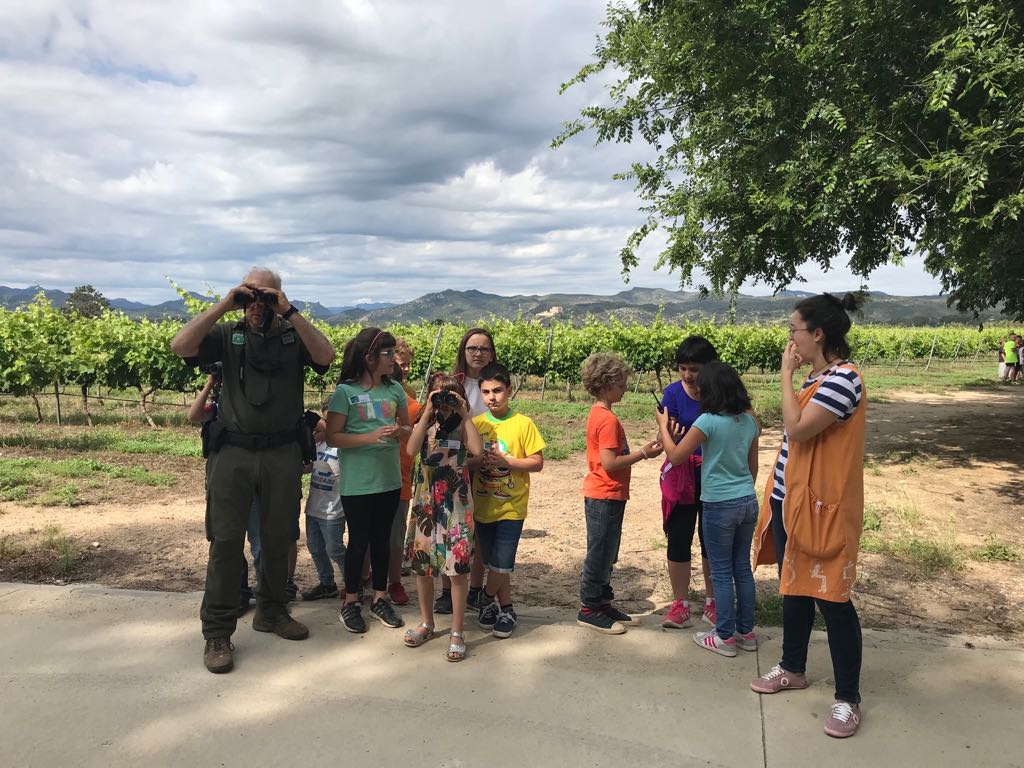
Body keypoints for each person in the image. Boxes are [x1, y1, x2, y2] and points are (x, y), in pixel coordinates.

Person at [171, 267, 335, 674]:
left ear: (280, 297)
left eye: (266, 297)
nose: (258, 305)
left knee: (279, 538)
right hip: (233, 453)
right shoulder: (227, 334)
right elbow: (180, 345)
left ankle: (272, 611)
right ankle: (217, 631)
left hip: (282, 452)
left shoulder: (293, 336)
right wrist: (226, 303)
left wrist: (289, 310)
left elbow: (325, 356)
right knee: (226, 541)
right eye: (251, 296)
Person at [750, 292, 868, 739]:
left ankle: (848, 699)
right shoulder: (817, 378)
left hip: (821, 509)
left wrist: (784, 374)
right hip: (791, 501)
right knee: (794, 589)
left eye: (794, 329)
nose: (790, 338)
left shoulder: (843, 379)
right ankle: (792, 668)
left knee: (833, 600)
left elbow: (797, 429)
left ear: (818, 334)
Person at [656, 362, 760, 657]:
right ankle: (746, 632)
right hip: (746, 500)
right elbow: (752, 467)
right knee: (742, 568)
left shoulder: (707, 421)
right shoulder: (749, 422)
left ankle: (724, 636)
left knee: (722, 571)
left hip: (719, 503)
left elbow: (676, 456)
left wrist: (663, 426)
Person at [325, 327, 412, 634]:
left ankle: (379, 598)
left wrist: (400, 432)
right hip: (358, 483)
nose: (394, 359)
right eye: (388, 354)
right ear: (369, 357)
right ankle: (350, 601)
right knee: (359, 541)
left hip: (389, 480)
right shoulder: (344, 392)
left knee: (382, 540)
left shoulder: (395, 390)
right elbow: (332, 436)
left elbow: (409, 429)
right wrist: (368, 438)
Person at [577, 353, 662, 634]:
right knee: (600, 552)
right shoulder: (607, 420)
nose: (625, 388)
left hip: (609, 494)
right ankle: (589, 608)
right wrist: (643, 453)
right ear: (606, 384)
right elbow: (610, 463)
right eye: (621, 384)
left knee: (608, 551)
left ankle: (603, 603)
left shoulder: (600, 414)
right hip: (604, 494)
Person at [403, 374, 483, 661]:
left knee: (457, 570)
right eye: (439, 396)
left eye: (450, 396)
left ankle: (457, 631)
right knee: (423, 567)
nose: (444, 402)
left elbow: (477, 450)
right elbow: (411, 450)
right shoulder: (425, 424)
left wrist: (465, 413)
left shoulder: (462, 425)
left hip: (456, 503)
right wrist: (427, 412)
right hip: (426, 503)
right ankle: (427, 623)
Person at [469, 362, 545, 639]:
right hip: (483, 505)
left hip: (512, 506)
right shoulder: (476, 425)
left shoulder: (523, 424)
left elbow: (537, 462)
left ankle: (485, 598)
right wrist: (480, 461)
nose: (492, 397)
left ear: (509, 391)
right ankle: (506, 609)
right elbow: (467, 462)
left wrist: (507, 462)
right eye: (486, 392)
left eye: (498, 390)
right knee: (492, 563)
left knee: (503, 563)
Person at [436, 327, 498, 614]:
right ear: (463, 351)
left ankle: (474, 589)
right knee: (450, 529)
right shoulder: (453, 382)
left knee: (478, 530)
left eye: (484, 349)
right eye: (472, 348)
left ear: (492, 354)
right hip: (454, 464)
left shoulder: (494, 384)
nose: (478, 353)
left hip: (485, 465)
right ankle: (447, 592)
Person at [659, 337, 718, 630]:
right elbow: (663, 436)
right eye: (682, 368)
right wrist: (666, 434)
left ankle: (713, 602)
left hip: (713, 475)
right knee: (679, 538)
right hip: (681, 477)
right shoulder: (671, 394)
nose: (687, 375)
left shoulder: (719, 395)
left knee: (711, 541)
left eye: (694, 369)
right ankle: (680, 603)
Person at [387, 339, 422, 606]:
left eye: (408, 365)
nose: (406, 369)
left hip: (401, 473)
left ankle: (394, 580)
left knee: (395, 534)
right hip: (376, 473)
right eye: (401, 365)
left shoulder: (410, 399)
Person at [300, 412, 346, 601]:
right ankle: (327, 584)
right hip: (314, 507)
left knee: (335, 549)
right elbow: (309, 467)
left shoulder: (343, 446)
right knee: (315, 548)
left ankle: (353, 584)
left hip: (333, 510)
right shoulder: (319, 443)